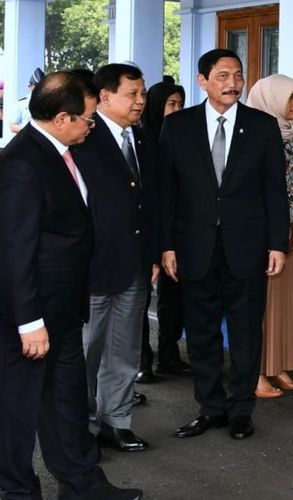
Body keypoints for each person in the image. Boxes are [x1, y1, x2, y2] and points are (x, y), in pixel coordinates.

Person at [0, 71, 142, 500]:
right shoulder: (22, 164)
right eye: (88, 119)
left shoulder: (62, 151)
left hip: (63, 307)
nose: (91, 126)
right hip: (31, 314)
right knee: (19, 409)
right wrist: (29, 322)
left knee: (67, 402)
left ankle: (82, 485)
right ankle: (16, 492)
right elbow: (15, 250)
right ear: (62, 118)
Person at [160, 49, 288, 440]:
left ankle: (240, 411)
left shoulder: (263, 126)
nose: (232, 83)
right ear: (202, 81)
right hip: (194, 246)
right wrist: (166, 245)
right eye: (222, 76)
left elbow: (274, 191)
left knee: (246, 330)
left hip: (247, 247)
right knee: (201, 332)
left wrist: (276, 244)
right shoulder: (178, 126)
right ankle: (210, 407)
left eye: (237, 75)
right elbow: (166, 192)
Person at [75, 63, 158, 453]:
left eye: (143, 93)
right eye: (132, 94)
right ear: (105, 96)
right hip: (93, 267)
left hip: (134, 264)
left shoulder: (141, 139)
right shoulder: (83, 140)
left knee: (124, 350)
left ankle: (117, 422)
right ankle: (81, 429)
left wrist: (154, 253)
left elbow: (151, 203)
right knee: (87, 353)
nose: (141, 101)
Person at [247, 74, 293, 398]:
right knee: (265, 308)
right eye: (290, 98)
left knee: (287, 303)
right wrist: (285, 225)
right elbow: (263, 192)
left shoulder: (290, 135)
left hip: (292, 234)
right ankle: (256, 373)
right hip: (268, 235)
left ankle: (278, 364)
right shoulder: (257, 137)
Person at [137, 81, 189, 383]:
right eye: (171, 104)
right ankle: (142, 359)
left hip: (174, 229)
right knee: (139, 299)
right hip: (146, 230)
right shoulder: (142, 138)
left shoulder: (183, 137)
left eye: (180, 104)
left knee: (173, 296)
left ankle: (169, 354)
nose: (176, 110)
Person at [9, 68, 45, 133]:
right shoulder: (22, 103)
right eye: (37, 87)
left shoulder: (48, 102)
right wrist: (29, 132)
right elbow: (12, 126)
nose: (40, 90)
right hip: (27, 139)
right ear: (29, 86)